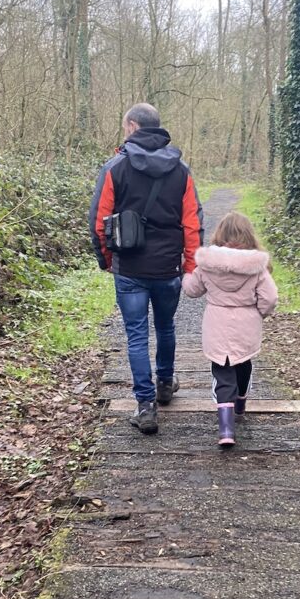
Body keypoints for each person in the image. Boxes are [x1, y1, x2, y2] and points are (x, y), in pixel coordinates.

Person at [89, 103, 203, 435]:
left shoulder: (114, 168)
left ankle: (145, 406)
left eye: (125, 126)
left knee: (137, 335)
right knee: (166, 327)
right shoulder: (181, 170)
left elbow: (98, 222)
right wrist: (190, 266)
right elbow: (193, 223)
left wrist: (108, 260)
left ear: (133, 127)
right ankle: (165, 384)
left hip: (130, 268)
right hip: (168, 267)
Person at [182, 211, 278, 447]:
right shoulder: (257, 267)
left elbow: (192, 290)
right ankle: (241, 403)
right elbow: (270, 298)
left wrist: (185, 274)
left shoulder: (208, 265)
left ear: (219, 235)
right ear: (248, 236)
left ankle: (226, 430)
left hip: (217, 325)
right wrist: (260, 313)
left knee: (222, 374)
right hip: (246, 325)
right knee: (243, 364)